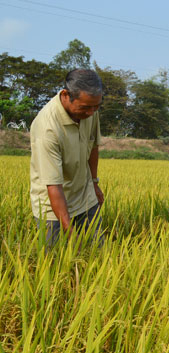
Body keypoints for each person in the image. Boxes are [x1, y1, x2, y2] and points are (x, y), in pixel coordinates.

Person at [30, 69, 104, 247]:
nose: (91, 113)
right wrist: (69, 230)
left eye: (96, 106)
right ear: (65, 95)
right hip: (52, 206)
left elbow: (93, 146)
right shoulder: (47, 129)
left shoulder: (90, 110)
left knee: (97, 252)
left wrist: (94, 182)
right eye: (85, 107)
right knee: (55, 263)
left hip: (85, 197)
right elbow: (53, 185)